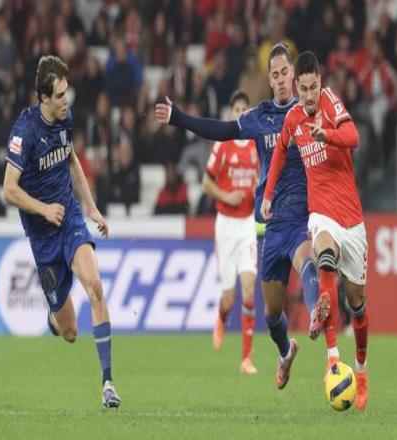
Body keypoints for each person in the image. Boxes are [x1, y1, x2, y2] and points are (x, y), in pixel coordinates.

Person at [155, 43, 326, 390]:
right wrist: (178, 117)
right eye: (275, 74)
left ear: (294, 75)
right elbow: (220, 130)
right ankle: (285, 351)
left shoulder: (310, 110)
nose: (281, 79)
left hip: (301, 219)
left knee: (307, 260)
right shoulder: (260, 117)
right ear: (270, 79)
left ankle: (315, 312)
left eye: (285, 72)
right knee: (271, 314)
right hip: (272, 224)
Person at [2, 55, 121, 409]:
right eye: (59, 95)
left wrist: (91, 207)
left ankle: (108, 383)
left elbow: (71, 160)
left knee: (95, 286)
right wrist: (42, 209)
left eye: (66, 92)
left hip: (69, 220)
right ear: (43, 98)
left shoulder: (65, 119)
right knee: (69, 331)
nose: (65, 100)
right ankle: (54, 318)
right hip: (43, 236)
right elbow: (8, 190)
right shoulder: (25, 131)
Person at [261, 51, 369, 410]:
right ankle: (332, 359)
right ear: (296, 86)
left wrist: (329, 135)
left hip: (351, 218)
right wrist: (268, 194)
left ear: (320, 82)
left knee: (357, 304)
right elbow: (280, 152)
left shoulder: (330, 103)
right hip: (321, 215)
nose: (309, 95)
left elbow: (353, 136)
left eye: (313, 88)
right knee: (323, 256)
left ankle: (361, 370)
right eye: (303, 89)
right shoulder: (293, 118)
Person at [202, 90, 260, 375]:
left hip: (247, 224)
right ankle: (222, 317)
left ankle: (246, 359)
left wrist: (259, 190)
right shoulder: (222, 145)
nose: (241, 113)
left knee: (249, 290)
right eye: (236, 109)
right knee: (229, 298)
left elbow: (261, 179)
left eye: (244, 109)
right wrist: (227, 196)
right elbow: (206, 183)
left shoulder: (256, 145)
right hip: (225, 225)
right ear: (231, 113)